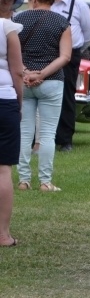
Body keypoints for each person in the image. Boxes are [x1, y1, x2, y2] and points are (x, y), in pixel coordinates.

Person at [15, 0, 72, 192]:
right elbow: (65, 56)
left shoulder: (19, 19)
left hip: (24, 81)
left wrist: (27, 73)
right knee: (47, 134)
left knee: (24, 132)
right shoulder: (61, 22)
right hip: (52, 82)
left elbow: (13, 53)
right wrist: (43, 73)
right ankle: (46, 181)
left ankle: (23, 180)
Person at [49, 0, 90, 152]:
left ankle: (65, 139)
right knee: (47, 94)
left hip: (70, 55)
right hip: (48, 53)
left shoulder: (79, 4)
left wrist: (74, 49)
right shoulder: (47, 2)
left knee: (67, 95)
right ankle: (46, 137)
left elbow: (89, 32)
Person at [1, 14, 23, 247]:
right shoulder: (7, 28)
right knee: (2, 170)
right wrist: (20, 102)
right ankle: (3, 234)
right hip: (3, 98)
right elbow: (17, 71)